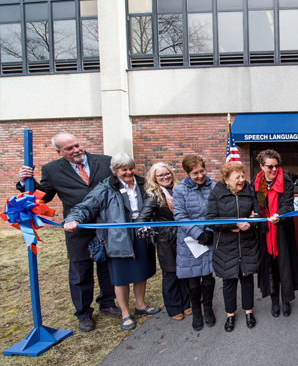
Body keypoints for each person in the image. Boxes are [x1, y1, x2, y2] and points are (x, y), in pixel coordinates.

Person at [16, 132, 119, 332]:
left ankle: (107, 303)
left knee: (107, 266)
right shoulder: (52, 169)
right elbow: (43, 197)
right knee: (80, 271)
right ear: (59, 151)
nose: (76, 150)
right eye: (69, 148)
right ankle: (83, 313)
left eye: (77, 145)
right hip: (76, 227)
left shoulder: (106, 162)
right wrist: (25, 183)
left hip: (106, 224)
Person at [64, 153, 160, 331]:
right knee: (121, 278)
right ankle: (125, 313)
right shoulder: (105, 188)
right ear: (115, 171)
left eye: (131, 168)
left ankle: (140, 305)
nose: (129, 172)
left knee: (141, 272)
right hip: (118, 239)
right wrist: (73, 219)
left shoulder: (143, 183)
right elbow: (86, 207)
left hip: (141, 234)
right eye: (124, 169)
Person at [205, 162, 260, 332]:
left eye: (243, 176)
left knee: (247, 279)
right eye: (237, 177)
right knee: (229, 281)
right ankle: (230, 314)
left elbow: (257, 214)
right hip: (226, 246)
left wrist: (250, 222)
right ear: (226, 179)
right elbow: (211, 219)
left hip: (247, 243)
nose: (242, 179)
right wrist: (234, 223)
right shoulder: (216, 193)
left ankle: (248, 312)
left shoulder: (250, 190)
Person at [136, 162, 192, 322]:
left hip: (185, 236)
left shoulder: (181, 188)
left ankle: (186, 302)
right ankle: (174, 306)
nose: (165, 177)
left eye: (167, 174)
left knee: (185, 271)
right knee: (171, 273)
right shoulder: (153, 195)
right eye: (160, 175)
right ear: (155, 178)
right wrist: (150, 230)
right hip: (166, 240)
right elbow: (142, 219)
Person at [253, 149, 298, 318]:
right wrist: (259, 215)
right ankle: (274, 301)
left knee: (284, 266)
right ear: (261, 166)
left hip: (282, 230)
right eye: (270, 166)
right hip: (266, 232)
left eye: (276, 166)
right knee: (270, 267)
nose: (274, 170)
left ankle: (286, 300)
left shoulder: (286, 181)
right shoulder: (258, 182)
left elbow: (288, 204)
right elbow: (259, 206)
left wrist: (279, 215)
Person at [171, 155, 216, 331]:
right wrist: (198, 233)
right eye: (195, 173)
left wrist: (209, 231)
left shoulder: (213, 187)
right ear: (187, 173)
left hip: (208, 237)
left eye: (202, 171)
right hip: (190, 242)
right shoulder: (180, 190)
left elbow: (216, 212)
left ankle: (208, 308)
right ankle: (196, 312)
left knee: (207, 278)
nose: (199, 176)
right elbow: (180, 216)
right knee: (193, 281)